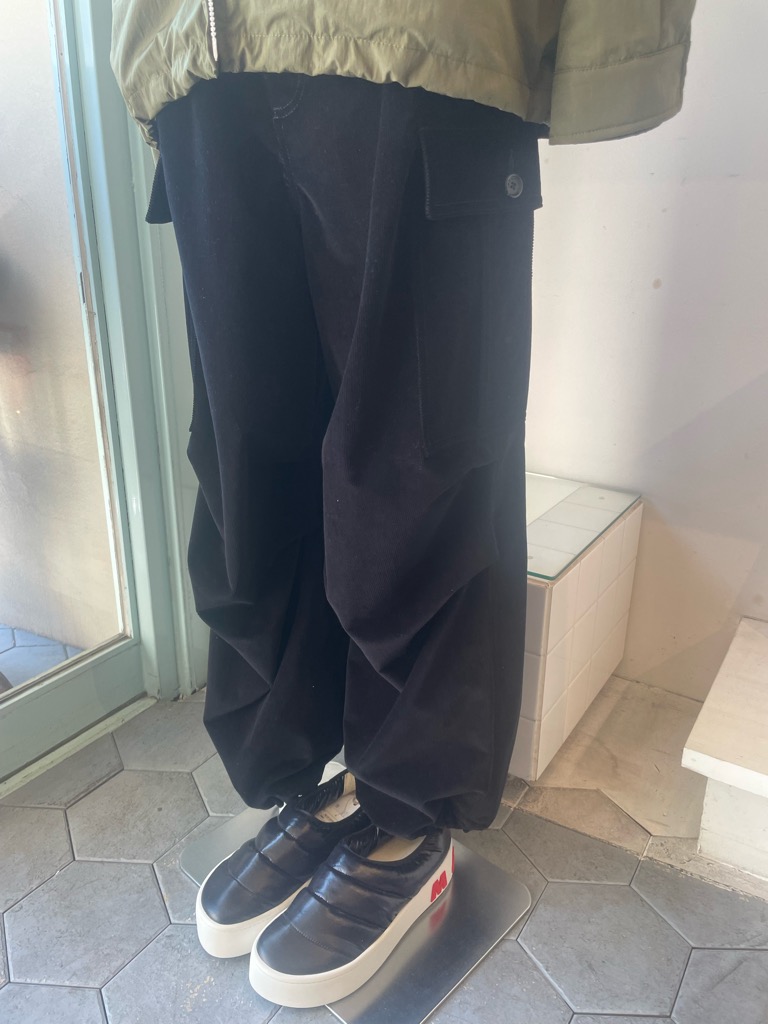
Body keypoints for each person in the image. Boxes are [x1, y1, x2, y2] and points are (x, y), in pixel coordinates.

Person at [111, 0, 696, 1006]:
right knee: (247, 462)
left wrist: (613, 56)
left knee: (417, 465)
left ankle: (407, 814)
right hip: (201, 53)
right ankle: (319, 783)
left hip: (420, 38)